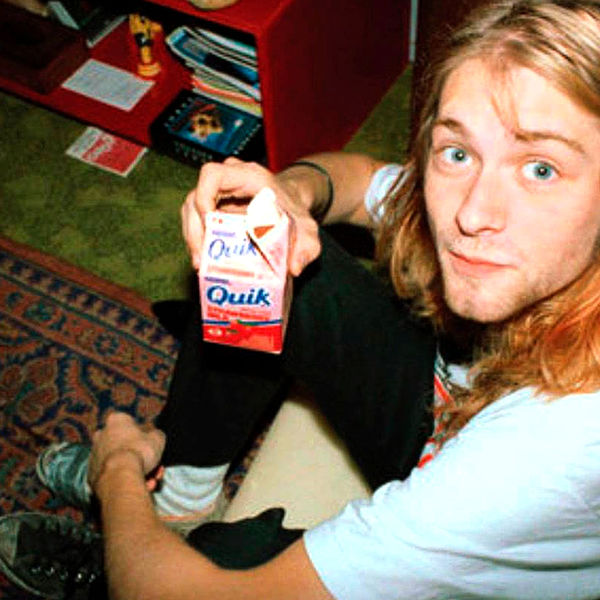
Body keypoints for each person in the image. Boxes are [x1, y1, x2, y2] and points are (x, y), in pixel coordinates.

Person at [3, 0, 600, 598]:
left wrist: (116, 477)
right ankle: (180, 498)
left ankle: (119, 551)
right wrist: (287, 197)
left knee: (221, 564)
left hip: (479, 480)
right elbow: (360, 180)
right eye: (459, 153)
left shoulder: (543, 454)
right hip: (446, 415)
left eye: (540, 169)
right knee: (268, 262)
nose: (471, 214)